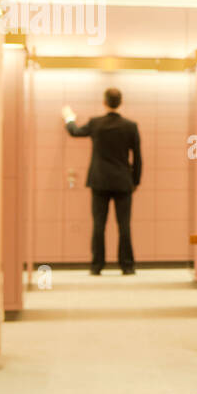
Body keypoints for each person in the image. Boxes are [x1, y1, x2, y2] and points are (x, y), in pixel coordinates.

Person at [62, 88, 142, 275]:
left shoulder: (96, 123)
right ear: (120, 102)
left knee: (99, 224)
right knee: (124, 225)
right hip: (123, 181)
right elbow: (137, 157)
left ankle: (97, 265)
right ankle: (127, 266)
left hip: (99, 181)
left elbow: (75, 132)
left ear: (105, 102)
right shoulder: (130, 126)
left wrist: (69, 117)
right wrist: (135, 181)